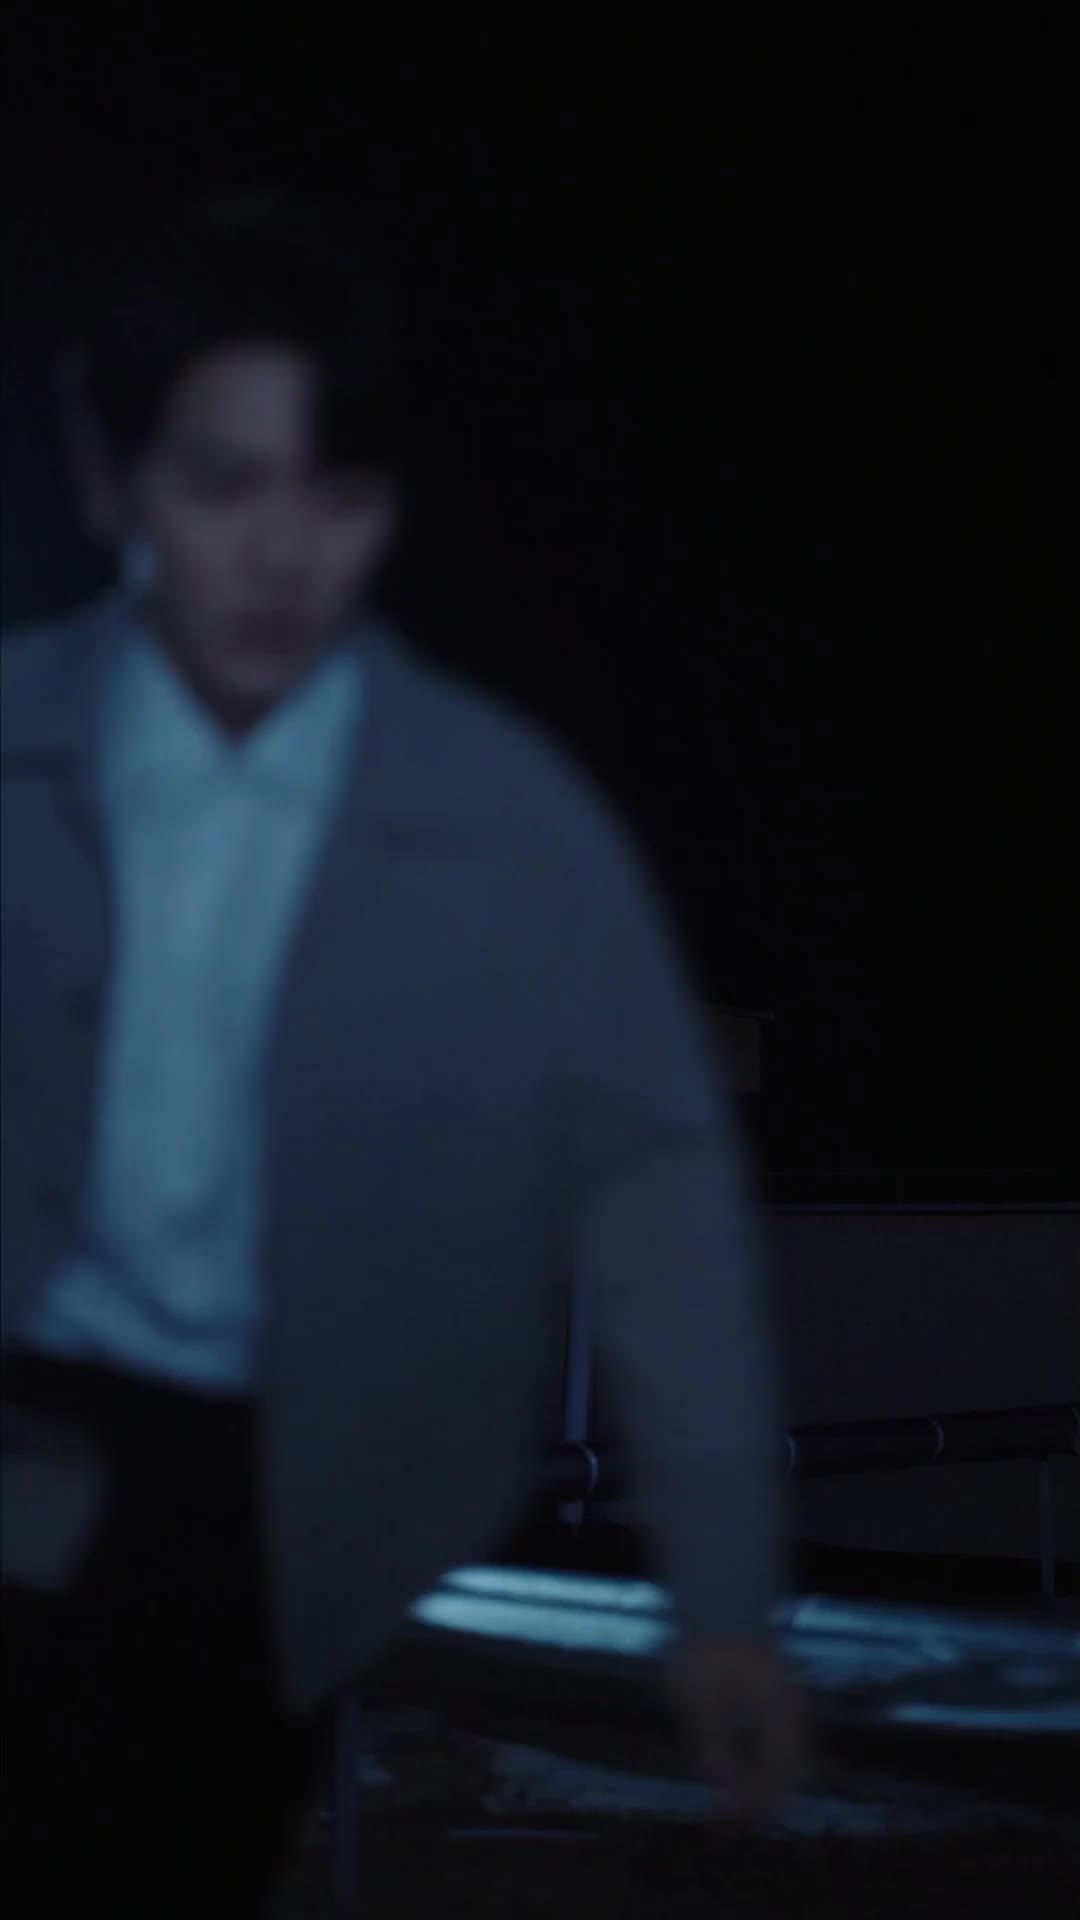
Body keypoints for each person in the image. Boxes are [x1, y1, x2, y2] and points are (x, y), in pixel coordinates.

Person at [1, 195, 810, 1912]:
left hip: (266, 1491)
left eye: (339, 494)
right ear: (108, 477)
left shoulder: (500, 818)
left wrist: (725, 1603)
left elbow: (659, 1190)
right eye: (225, 485)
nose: (282, 554)